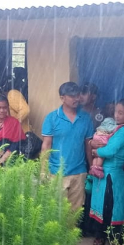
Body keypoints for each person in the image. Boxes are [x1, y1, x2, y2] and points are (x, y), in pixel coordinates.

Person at [89, 98, 124, 245]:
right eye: (116, 112)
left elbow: (109, 151)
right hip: (105, 173)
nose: (116, 115)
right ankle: (102, 236)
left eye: (121, 113)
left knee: (112, 208)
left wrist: (96, 150)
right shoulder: (117, 128)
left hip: (112, 175)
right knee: (103, 207)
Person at [41, 82, 94, 212]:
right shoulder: (52, 118)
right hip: (56, 172)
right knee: (56, 212)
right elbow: (46, 145)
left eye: (77, 95)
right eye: (72, 96)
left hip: (79, 172)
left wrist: (92, 167)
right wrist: (43, 170)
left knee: (75, 212)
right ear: (62, 97)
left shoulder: (85, 118)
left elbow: (88, 145)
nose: (76, 99)